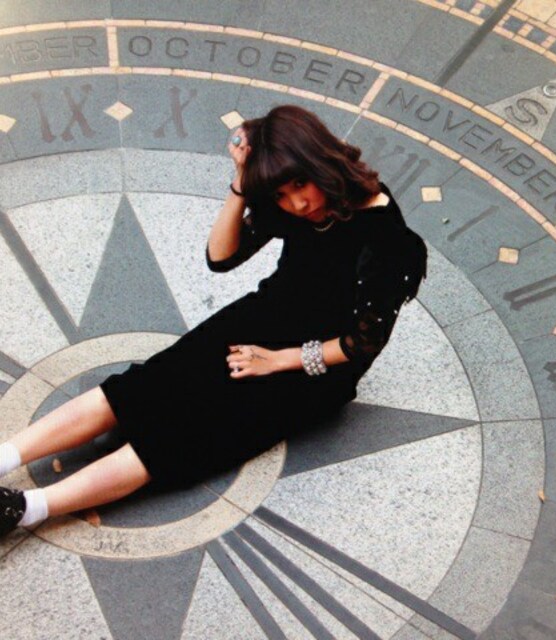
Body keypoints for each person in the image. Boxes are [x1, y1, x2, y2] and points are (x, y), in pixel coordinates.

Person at [0, 105, 427, 537]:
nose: (298, 204)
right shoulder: (289, 202)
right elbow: (221, 257)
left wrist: (276, 360)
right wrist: (241, 183)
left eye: (301, 185)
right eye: (281, 194)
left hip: (315, 367)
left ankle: (24, 509)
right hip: (266, 315)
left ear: (319, 162)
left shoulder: (390, 242)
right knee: (138, 389)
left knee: (179, 439)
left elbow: (362, 343)